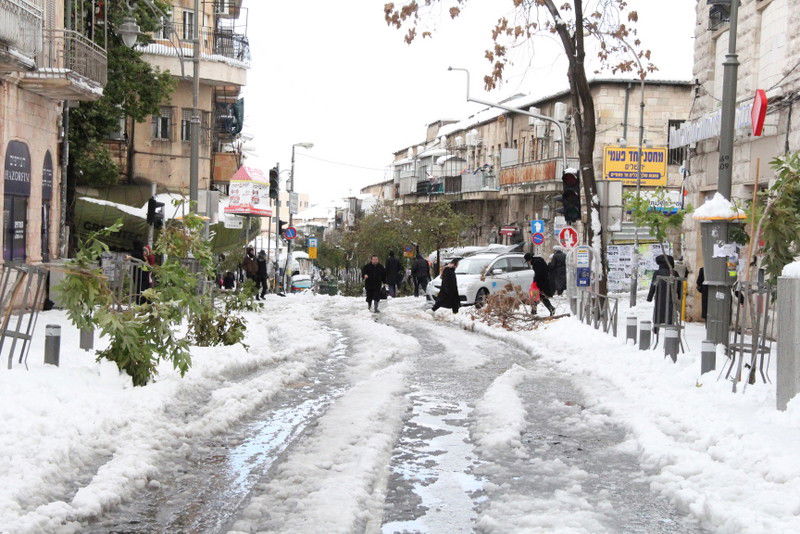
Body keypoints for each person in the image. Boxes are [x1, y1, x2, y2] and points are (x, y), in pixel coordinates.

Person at [647, 254, 681, 333]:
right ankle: (669, 327)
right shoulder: (674, 273)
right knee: (670, 310)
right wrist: (679, 295)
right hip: (671, 296)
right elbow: (679, 285)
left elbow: (653, 285)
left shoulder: (657, 273)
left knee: (658, 311)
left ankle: (656, 327)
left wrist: (650, 297)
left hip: (660, 296)